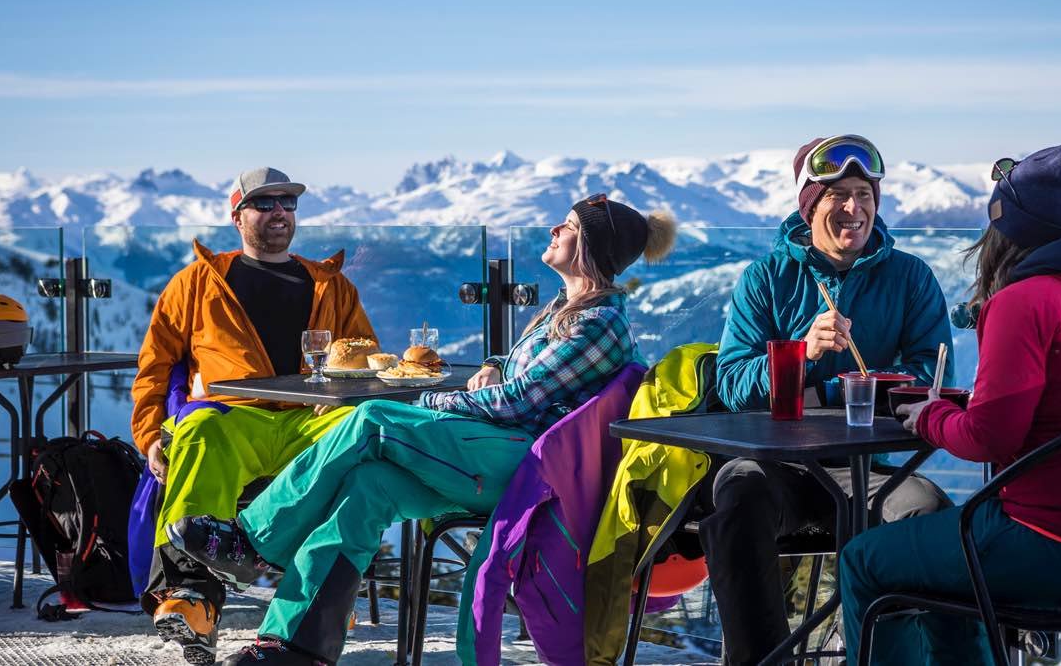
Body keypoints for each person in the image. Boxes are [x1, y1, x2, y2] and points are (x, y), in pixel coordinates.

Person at [167, 194, 677, 666]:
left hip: (524, 467)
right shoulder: (566, 312)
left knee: (371, 420)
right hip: (496, 451)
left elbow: (519, 403)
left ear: (590, 247)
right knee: (368, 487)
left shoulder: (598, 323)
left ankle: (255, 541)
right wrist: (497, 363)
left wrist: (427, 398)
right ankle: (295, 645)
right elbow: (522, 372)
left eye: (564, 227)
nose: (552, 230)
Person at [840, 144, 1061, 665]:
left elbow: (989, 437)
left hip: (1050, 546)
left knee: (864, 562)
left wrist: (931, 415)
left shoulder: (1024, 300)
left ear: (1004, 230)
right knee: (946, 573)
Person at [703, 134, 955, 665]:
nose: (853, 208)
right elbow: (730, 385)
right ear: (810, 206)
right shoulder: (766, 279)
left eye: (863, 193)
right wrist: (802, 356)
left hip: (863, 473)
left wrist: (841, 389)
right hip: (777, 467)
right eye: (837, 194)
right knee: (737, 500)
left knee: (930, 514)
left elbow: (933, 376)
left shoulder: (909, 277)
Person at [132, 167, 376, 666]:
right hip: (233, 417)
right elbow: (155, 365)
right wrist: (150, 435)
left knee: (361, 433)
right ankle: (191, 600)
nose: (279, 213)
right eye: (265, 204)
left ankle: (314, 593)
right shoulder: (197, 282)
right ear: (237, 215)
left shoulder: (332, 285)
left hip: (311, 416)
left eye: (288, 203)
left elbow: (365, 357)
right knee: (200, 431)